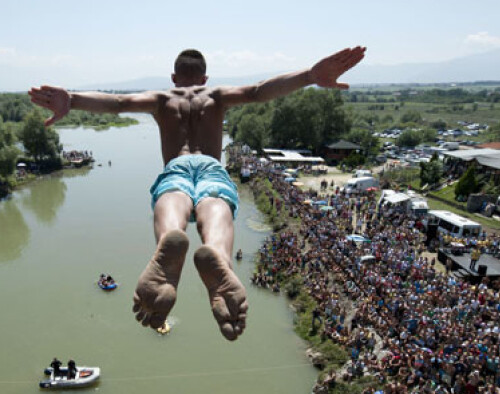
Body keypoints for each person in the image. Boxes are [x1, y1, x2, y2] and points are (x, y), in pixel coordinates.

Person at [30, 46, 366, 341]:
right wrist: (308, 74)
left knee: (171, 200)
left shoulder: (161, 99)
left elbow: (118, 103)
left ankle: (170, 238)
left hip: (177, 166)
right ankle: (218, 256)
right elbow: (259, 91)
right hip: (211, 169)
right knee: (216, 206)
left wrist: (72, 99)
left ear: (174, 77)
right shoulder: (216, 96)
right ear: (205, 78)